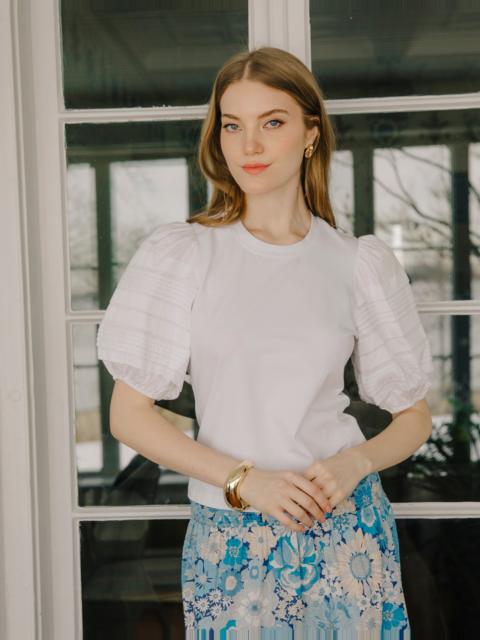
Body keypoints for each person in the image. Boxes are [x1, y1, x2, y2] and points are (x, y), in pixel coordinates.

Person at [96, 46, 433, 638]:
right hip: (231, 537)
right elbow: (128, 416)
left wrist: (354, 462)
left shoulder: (357, 263)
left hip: (346, 532)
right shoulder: (184, 255)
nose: (248, 144)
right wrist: (245, 481)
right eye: (233, 126)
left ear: (311, 133)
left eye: (272, 122)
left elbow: (414, 417)